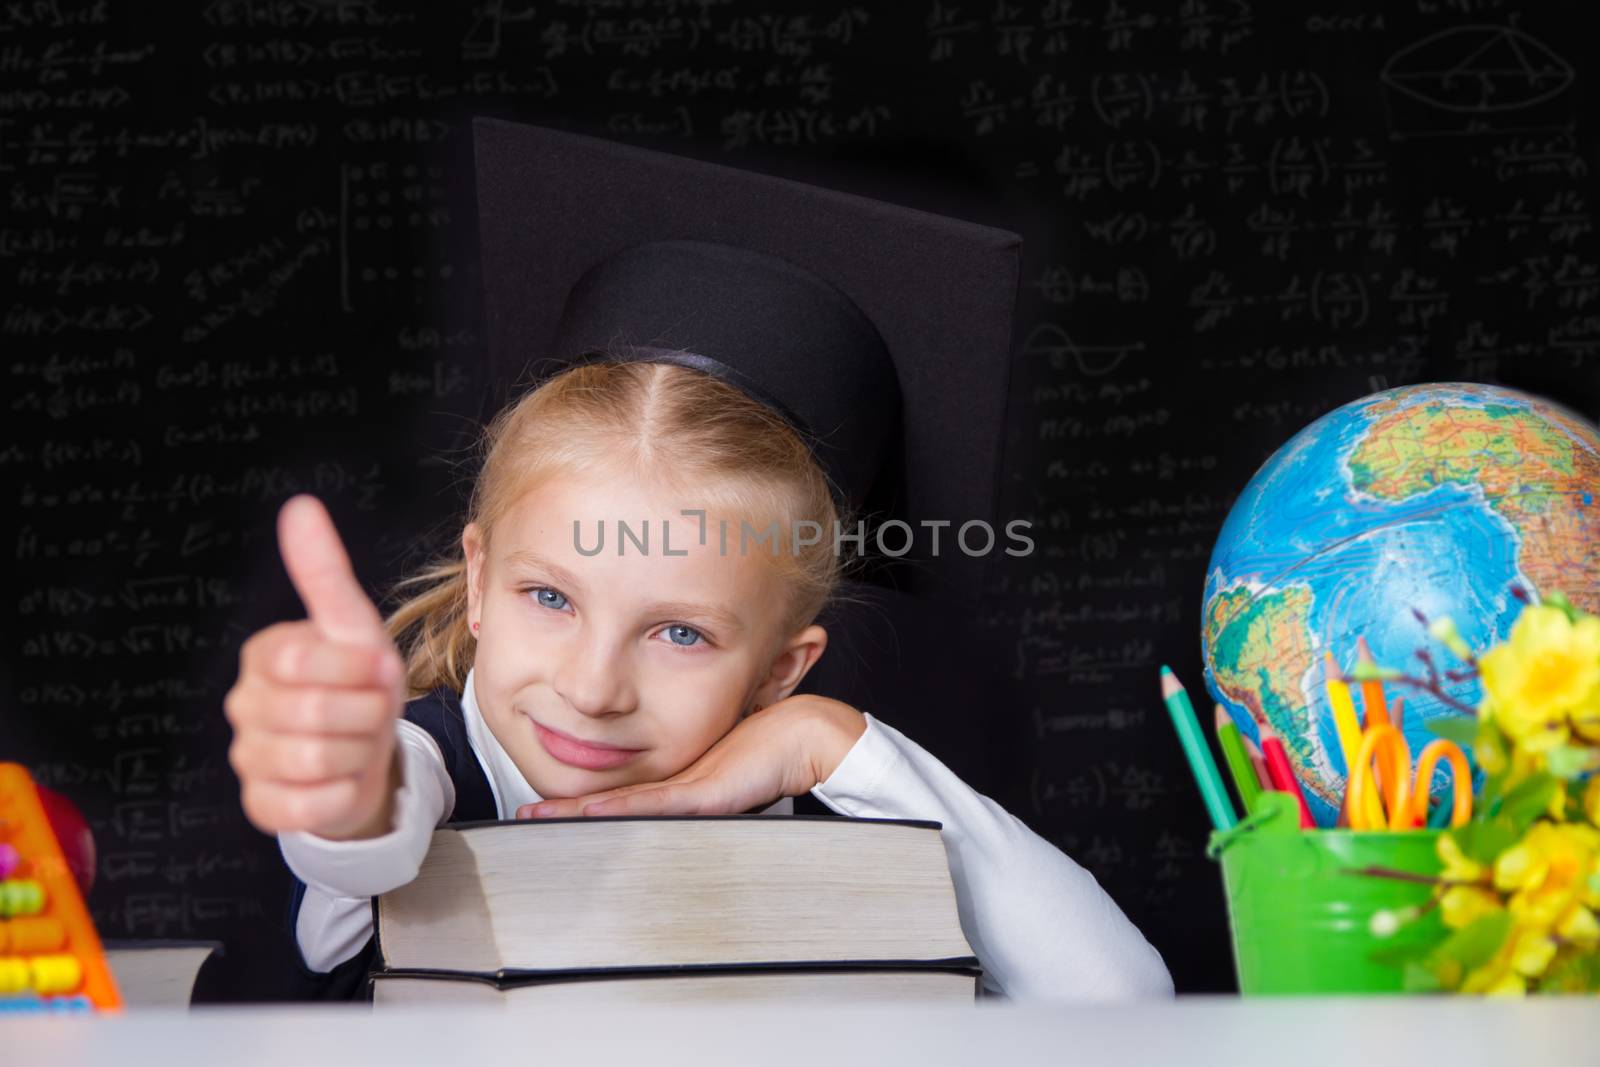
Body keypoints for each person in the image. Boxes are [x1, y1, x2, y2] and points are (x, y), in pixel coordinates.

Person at [222, 119, 1175, 1004]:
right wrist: (343, 791)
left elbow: (1121, 1003)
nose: (594, 688)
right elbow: (365, 834)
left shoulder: (821, 830)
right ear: (477, 583)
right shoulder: (421, 768)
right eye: (549, 594)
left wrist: (835, 743)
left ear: (779, 670)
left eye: (680, 631)